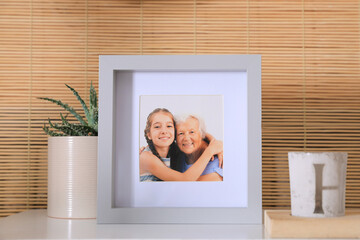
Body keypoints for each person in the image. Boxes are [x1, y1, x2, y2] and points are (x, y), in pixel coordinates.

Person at [139, 108, 222, 182]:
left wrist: (213, 141)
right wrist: (210, 150)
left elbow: (196, 133)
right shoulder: (146, 157)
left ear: (173, 133)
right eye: (157, 127)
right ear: (148, 134)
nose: (164, 131)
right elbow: (184, 180)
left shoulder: (174, 153)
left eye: (169, 126)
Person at [174, 114, 223, 181]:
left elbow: (187, 186)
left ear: (201, 135)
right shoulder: (179, 155)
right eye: (181, 133)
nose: (186, 138)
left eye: (192, 132)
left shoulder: (218, 163)